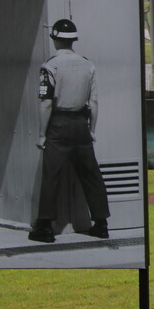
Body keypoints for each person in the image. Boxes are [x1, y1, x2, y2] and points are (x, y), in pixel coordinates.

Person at [28, 19, 110, 242]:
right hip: (81, 125)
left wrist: (43, 134)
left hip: (59, 124)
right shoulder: (87, 65)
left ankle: (44, 226)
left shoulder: (50, 66)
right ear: (73, 40)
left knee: (51, 175)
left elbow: (46, 103)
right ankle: (101, 223)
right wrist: (91, 130)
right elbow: (93, 102)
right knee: (91, 174)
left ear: (55, 39)